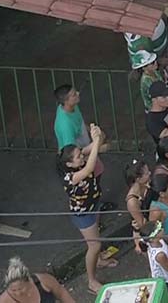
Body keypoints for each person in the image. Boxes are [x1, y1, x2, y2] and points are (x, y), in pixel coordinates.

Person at [58, 125, 115, 292]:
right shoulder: (71, 177)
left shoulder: (80, 158)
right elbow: (90, 168)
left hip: (93, 204)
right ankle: (91, 280)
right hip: (83, 214)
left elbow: (97, 146)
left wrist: (98, 134)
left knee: (96, 239)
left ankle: (99, 261)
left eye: (80, 154)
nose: (82, 157)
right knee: (94, 246)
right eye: (78, 157)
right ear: (69, 163)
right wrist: (96, 140)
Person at [0, 258, 75, 303]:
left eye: (20, 288)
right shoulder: (4, 301)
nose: (18, 293)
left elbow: (61, 293)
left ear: (29, 281)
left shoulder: (44, 281)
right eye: (13, 290)